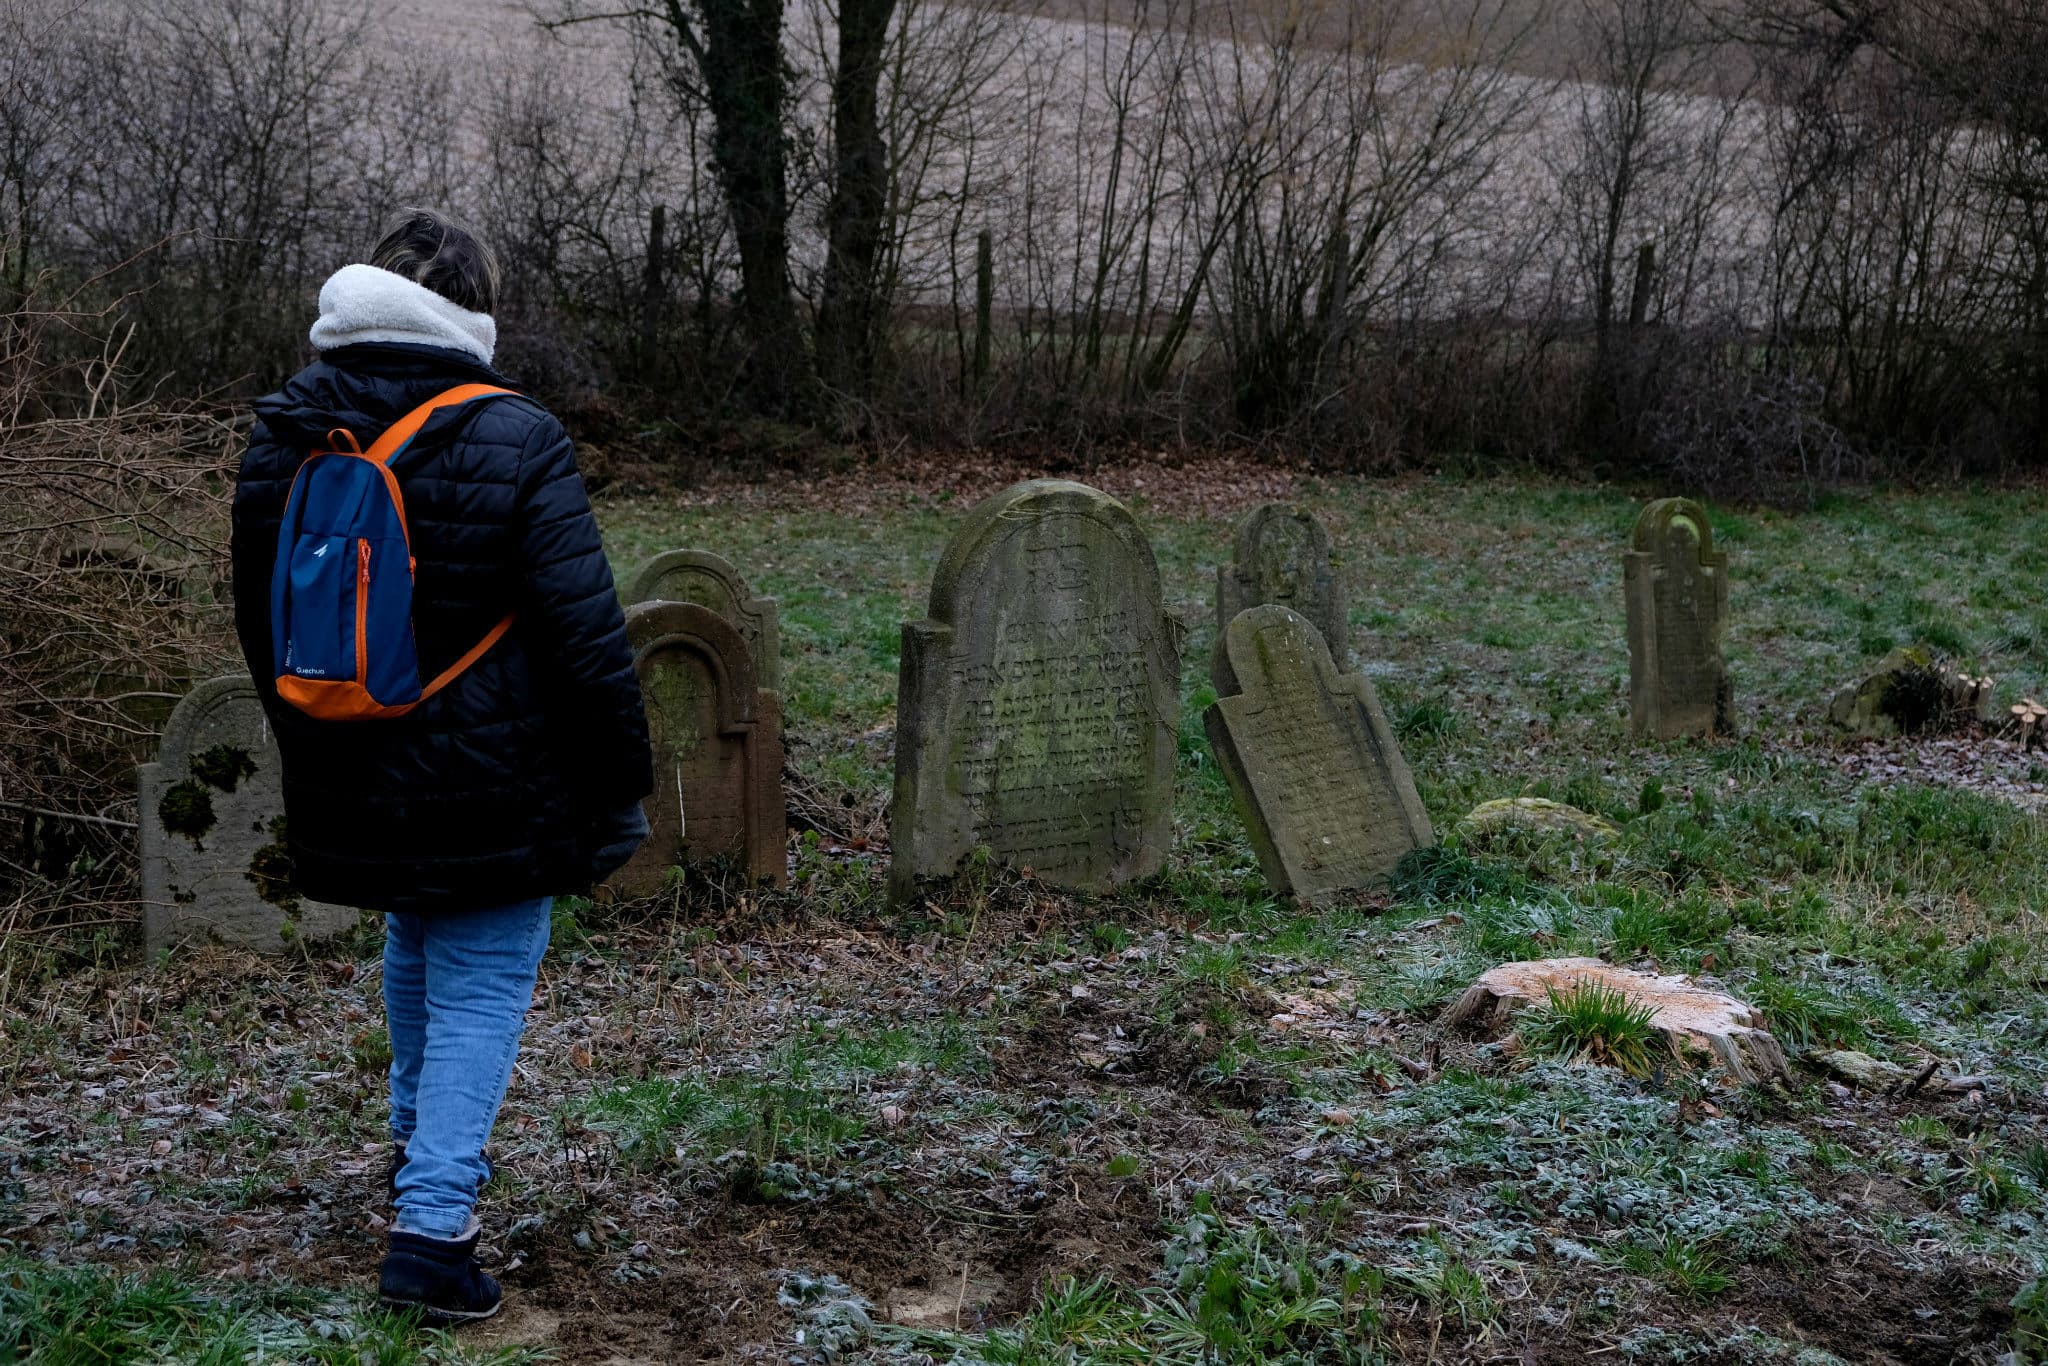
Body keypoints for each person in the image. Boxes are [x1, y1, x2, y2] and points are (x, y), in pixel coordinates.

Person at [230, 208, 654, 1324]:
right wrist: (618, 786)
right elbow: (586, 635)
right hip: (496, 774)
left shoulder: (283, 427)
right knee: (479, 983)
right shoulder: (515, 433)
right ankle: (431, 1229)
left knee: (416, 934)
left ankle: (418, 1153)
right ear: (472, 308)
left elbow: (257, 614)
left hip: (346, 749)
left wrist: (308, 748)